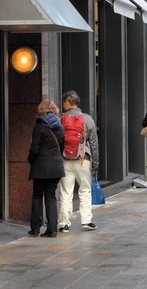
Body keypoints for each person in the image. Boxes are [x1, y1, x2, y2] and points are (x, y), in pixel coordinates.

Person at [58, 91, 99, 233]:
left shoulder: (61, 119)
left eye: (64, 102)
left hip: (65, 160)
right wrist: (95, 163)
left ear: (67, 103)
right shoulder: (87, 119)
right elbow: (93, 143)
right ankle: (86, 220)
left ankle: (64, 223)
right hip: (83, 159)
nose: (63, 105)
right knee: (85, 190)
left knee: (66, 192)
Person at [28, 100, 65, 238]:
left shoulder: (39, 127)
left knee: (37, 195)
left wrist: (31, 161)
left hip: (41, 166)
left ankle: (35, 229)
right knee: (51, 196)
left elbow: (34, 149)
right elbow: (61, 148)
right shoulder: (60, 127)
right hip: (56, 166)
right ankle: (52, 229)